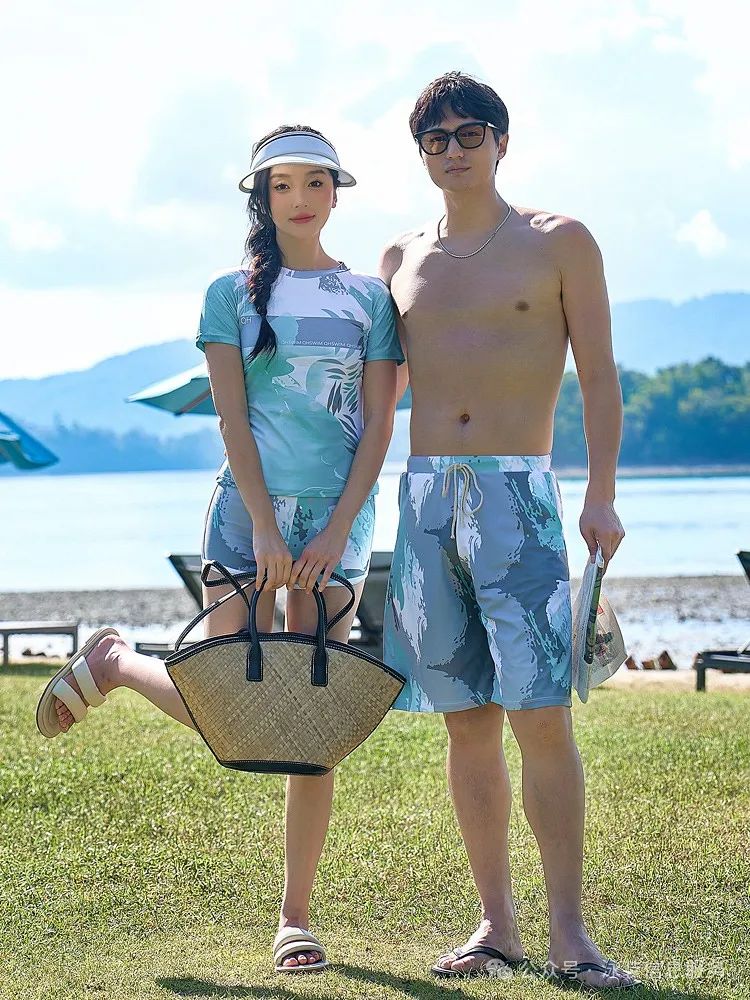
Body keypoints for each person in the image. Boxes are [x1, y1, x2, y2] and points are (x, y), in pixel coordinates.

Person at [36, 125, 403, 975]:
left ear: (337, 192)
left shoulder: (369, 300)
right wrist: (267, 529)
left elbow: (381, 425)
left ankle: (294, 917)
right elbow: (232, 420)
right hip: (246, 513)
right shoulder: (228, 296)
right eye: (283, 185)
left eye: (315, 182)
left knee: (313, 714)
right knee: (227, 698)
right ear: (262, 198)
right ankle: (120, 664)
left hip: (340, 517)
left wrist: (336, 531)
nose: (300, 198)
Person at [380, 73, 639, 989]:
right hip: (422, 501)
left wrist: (601, 496)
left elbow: (599, 377)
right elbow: (375, 399)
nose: (453, 148)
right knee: (466, 723)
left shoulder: (559, 240)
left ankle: (571, 933)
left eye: (470, 132)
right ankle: (497, 926)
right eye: (436, 137)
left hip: (517, 497)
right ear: (421, 153)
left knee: (541, 715)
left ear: (501, 140)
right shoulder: (400, 257)